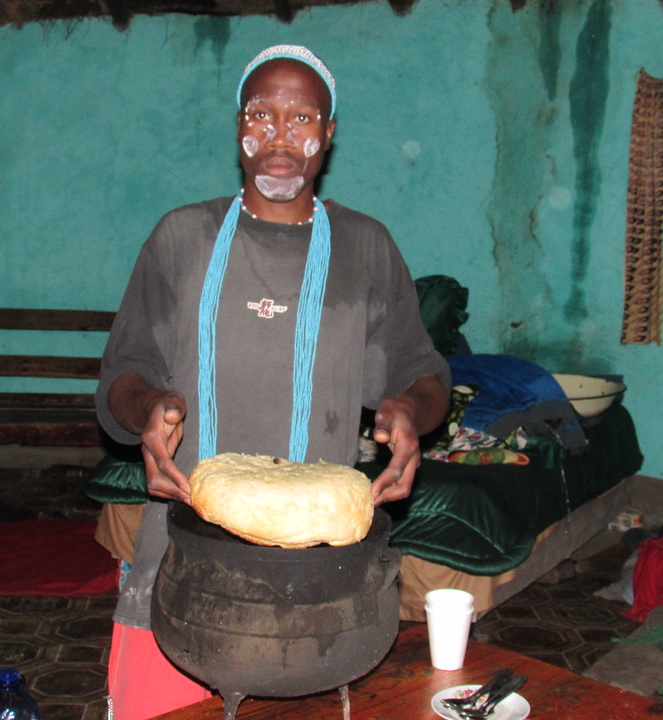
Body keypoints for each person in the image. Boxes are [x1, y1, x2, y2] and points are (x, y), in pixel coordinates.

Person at [95, 44, 450, 720]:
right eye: (262, 115)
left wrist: (411, 410)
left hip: (317, 564)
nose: (279, 139)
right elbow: (124, 368)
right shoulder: (181, 238)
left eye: (302, 118)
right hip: (182, 541)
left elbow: (421, 370)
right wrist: (146, 405)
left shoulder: (366, 247)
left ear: (329, 134)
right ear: (238, 128)